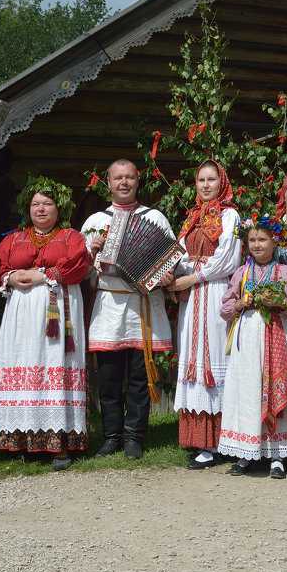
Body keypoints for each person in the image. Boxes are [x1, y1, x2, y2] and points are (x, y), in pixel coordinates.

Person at [0, 177, 91, 470]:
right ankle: (20, 438)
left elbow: (77, 265)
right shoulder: (15, 238)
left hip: (57, 312)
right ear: (27, 208)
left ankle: (60, 442)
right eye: (35, 204)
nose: (41, 209)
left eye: (47, 203)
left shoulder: (72, 237)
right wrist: (9, 277)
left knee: (55, 364)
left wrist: (40, 275)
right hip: (21, 315)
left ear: (59, 208)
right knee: (25, 363)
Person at [82, 159, 175, 460]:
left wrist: (165, 274)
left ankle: (134, 437)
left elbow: (171, 258)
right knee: (108, 377)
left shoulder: (156, 218)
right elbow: (81, 272)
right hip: (109, 304)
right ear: (107, 183)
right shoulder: (94, 221)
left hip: (143, 304)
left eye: (130, 178)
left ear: (138, 181)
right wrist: (91, 249)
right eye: (118, 178)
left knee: (139, 377)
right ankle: (111, 436)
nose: (124, 183)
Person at [217, 214, 287, 478]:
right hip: (246, 340)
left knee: (272, 387)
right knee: (246, 390)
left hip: (275, 336)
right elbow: (224, 308)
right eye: (252, 240)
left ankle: (278, 455)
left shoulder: (284, 272)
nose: (257, 245)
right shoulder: (241, 273)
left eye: (262, 239)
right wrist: (238, 305)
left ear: (274, 241)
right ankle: (245, 452)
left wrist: (278, 303)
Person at [170, 160, 243, 469]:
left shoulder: (230, 216)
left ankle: (227, 438)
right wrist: (176, 278)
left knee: (217, 357)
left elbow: (228, 259)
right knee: (192, 356)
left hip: (215, 292)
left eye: (211, 179)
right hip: (191, 297)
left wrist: (194, 278)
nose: (205, 185)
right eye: (201, 179)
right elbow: (182, 255)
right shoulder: (193, 218)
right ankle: (203, 444)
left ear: (221, 182)